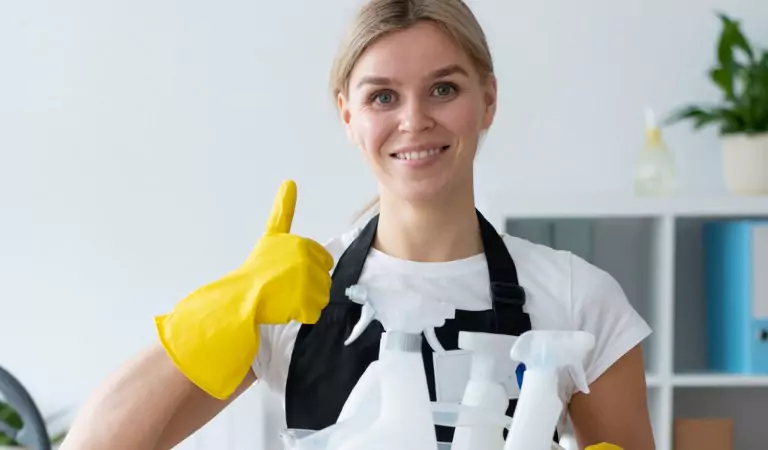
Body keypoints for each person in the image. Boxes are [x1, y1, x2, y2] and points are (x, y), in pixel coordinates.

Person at [60, 0, 655, 449]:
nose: (415, 120)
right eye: (382, 97)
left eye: (443, 88)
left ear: (488, 101)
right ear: (348, 114)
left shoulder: (578, 301)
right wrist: (228, 307)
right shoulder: (293, 296)